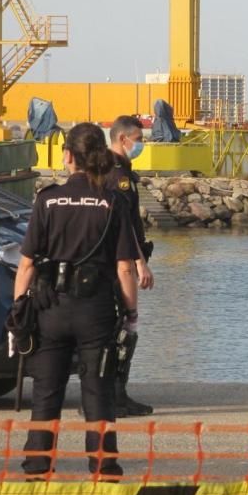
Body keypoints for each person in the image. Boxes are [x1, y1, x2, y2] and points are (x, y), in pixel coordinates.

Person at [13, 123, 140, 478]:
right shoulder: (112, 201)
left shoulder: (47, 199)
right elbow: (125, 268)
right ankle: (103, 468)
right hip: (95, 310)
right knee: (98, 393)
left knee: (46, 393)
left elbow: (26, 265)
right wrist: (131, 316)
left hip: (50, 307)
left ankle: (38, 466)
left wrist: (19, 310)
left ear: (68, 155)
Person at [106, 115, 155, 417]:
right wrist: (139, 263)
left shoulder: (119, 171)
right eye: (138, 139)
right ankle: (115, 395)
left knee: (121, 329)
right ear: (123, 139)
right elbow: (124, 225)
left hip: (120, 258)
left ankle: (118, 394)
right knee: (122, 328)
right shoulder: (117, 176)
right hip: (119, 261)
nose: (141, 145)